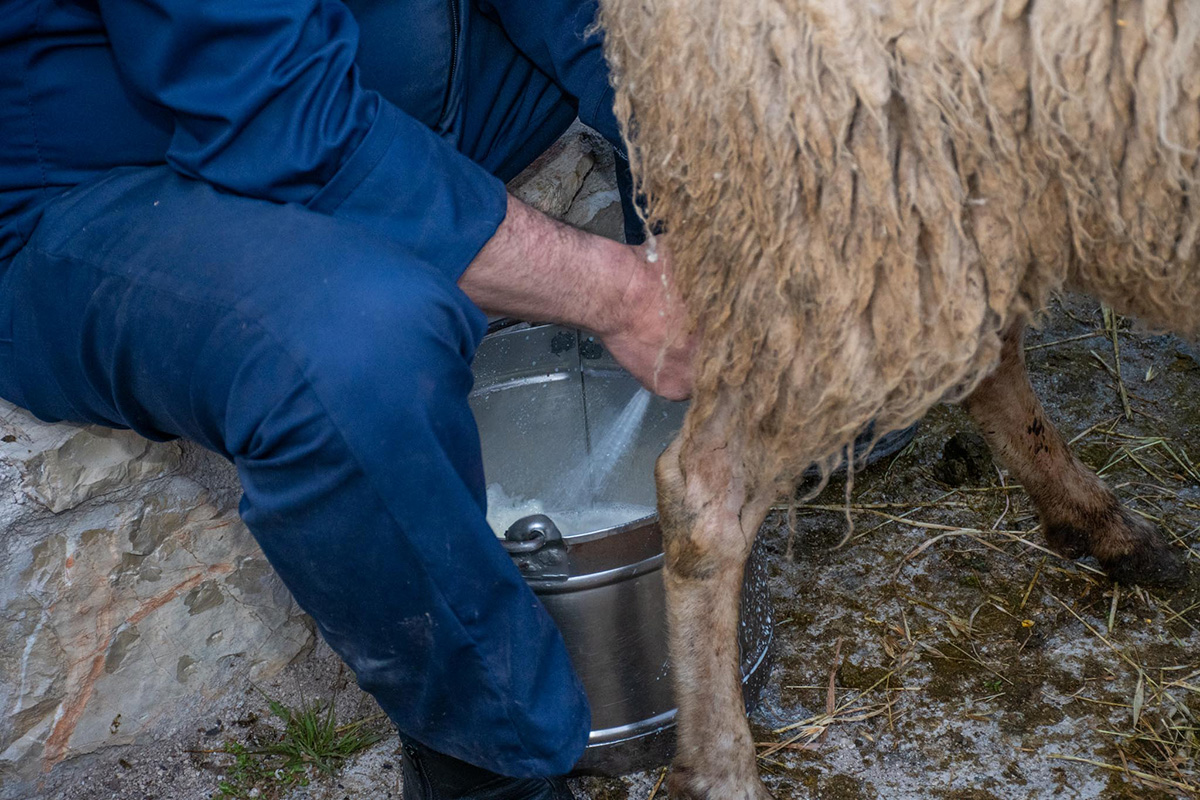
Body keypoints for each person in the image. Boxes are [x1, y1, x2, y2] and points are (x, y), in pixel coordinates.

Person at [0, 1, 692, 798]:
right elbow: (273, 113)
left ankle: (822, 397)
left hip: (384, 76)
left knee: (720, 42)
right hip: (123, 170)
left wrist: (697, 191)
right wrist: (624, 298)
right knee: (354, 347)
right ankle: (488, 765)